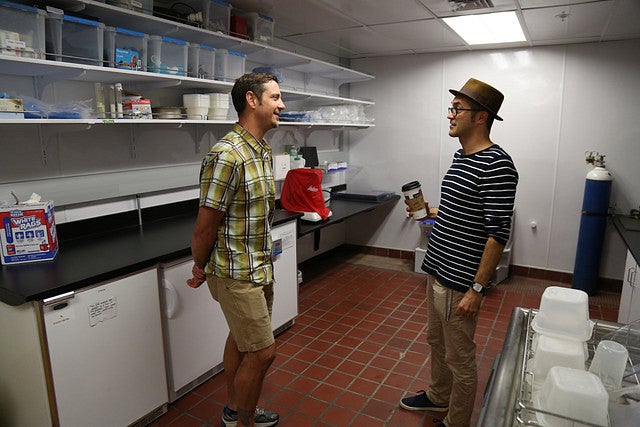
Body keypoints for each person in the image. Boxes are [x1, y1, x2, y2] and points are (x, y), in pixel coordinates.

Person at [399, 78, 518, 427]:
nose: (450, 115)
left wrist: (478, 289)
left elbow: (497, 234)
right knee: (436, 341)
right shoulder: (461, 155)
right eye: (452, 108)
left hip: (460, 280)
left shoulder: (497, 164)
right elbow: (465, 210)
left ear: (480, 117)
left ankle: (457, 420)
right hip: (437, 267)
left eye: (457, 109)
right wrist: (430, 211)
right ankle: (438, 398)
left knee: (461, 358)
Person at [188, 72, 285, 427]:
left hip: (259, 266)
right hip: (234, 273)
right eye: (274, 97)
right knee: (262, 352)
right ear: (251, 100)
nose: (281, 104)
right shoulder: (226, 154)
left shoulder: (260, 150)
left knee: (244, 341)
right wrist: (200, 267)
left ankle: (233, 408)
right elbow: (205, 225)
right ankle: (243, 422)